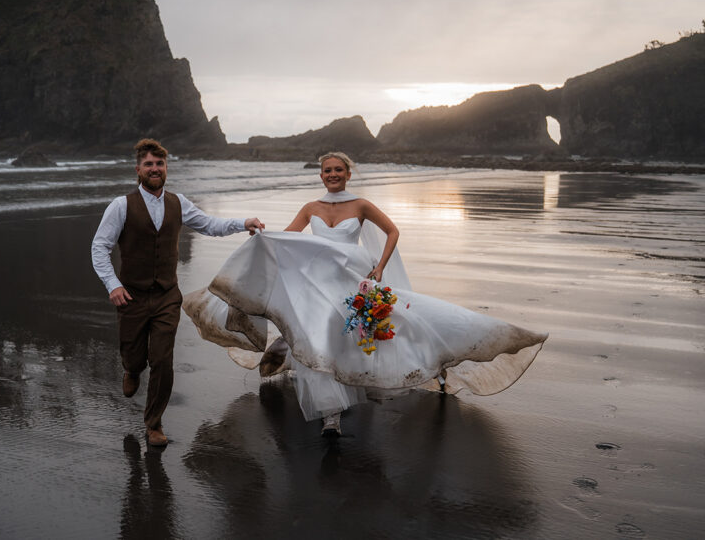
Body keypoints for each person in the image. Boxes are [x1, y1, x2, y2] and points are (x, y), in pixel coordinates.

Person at [183, 151, 547, 437]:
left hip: (350, 281)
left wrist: (380, 267)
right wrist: (263, 238)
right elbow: (288, 238)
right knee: (321, 332)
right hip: (316, 283)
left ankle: (437, 358)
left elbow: (392, 231)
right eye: (327, 171)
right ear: (321, 174)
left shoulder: (361, 205)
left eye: (338, 170)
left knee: (385, 326)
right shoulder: (311, 208)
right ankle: (331, 415)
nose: (332, 175)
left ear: (348, 173)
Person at [91, 138, 265, 447]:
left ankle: (154, 423)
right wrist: (113, 285)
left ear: (166, 168)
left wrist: (243, 222)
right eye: (149, 164)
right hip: (131, 295)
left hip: (167, 296)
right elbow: (99, 248)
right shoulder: (121, 205)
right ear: (138, 170)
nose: (155, 169)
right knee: (133, 353)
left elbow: (210, 225)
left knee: (162, 359)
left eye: (159, 164)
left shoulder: (178, 203)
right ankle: (131, 368)